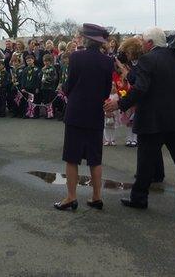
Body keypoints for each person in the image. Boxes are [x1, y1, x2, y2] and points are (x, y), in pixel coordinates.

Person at [104, 27, 175, 215]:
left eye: (143, 41)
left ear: (149, 43)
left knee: (145, 163)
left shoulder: (147, 60)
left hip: (153, 121)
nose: (141, 44)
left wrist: (120, 104)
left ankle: (139, 198)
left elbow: (140, 89)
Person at [55, 23, 114, 211]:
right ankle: (96, 197)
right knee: (95, 158)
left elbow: (69, 85)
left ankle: (71, 197)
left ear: (86, 40)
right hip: (96, 112)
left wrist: (64, 89)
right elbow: (106, 90)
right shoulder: (107, 61)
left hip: (76, 112)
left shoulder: (76, 57)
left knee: (72, 157)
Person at [40, 54, 58, 119]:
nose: (46, 62)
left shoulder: (53, 68)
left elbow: (55, 78)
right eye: (44, 61)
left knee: (51, 101)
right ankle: (47, 113)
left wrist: (47, 80)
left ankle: (52, 113)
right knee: (46, 101)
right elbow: (40, 77)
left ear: (50, 61)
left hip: (50, 87)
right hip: (44, 87)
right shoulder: (42, 69)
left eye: (47, 61)